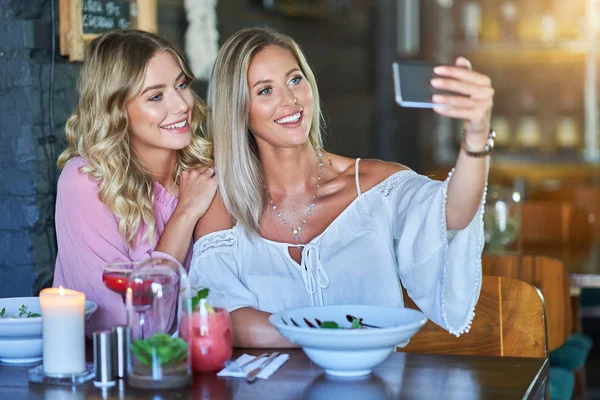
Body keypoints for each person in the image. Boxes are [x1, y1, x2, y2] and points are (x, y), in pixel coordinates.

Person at [190, 27, 494, 348]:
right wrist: (334, 333)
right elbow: (221, 316)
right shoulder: (224, 205)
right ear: (238, 108)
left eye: (295, 80)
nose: (290, 100)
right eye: (266, 91)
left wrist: (476, 135)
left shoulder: (376, 186)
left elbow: (455, 213)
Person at [53, 29, 218, 335]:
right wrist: (185, 213)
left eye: (181, 85)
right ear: (116, 110)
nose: (182, 105)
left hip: (206, 364)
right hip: (112, 374)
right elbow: (129, 328)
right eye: (156, 96)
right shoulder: (87, 183)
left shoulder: (206, 175)